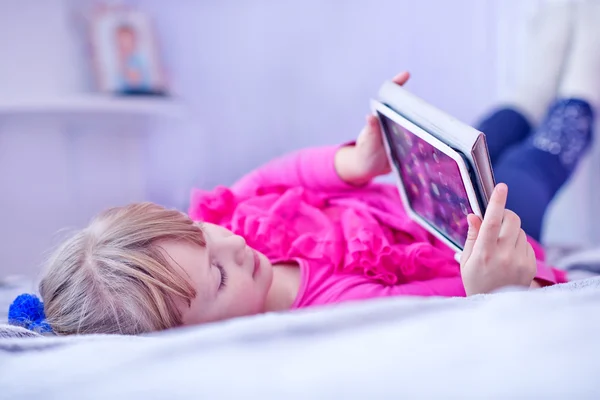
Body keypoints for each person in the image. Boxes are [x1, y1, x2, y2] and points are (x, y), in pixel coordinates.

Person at [8, 2, 599, 335]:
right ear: (202, 332)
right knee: (529, 167)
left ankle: (527, 92)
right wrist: (488, 290)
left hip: (415, 198)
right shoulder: (332, 311)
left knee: (479, 133)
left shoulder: (224, 226)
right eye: (218, 278)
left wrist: (349, 164)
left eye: (202, 234)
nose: (231, 247)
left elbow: (278, 176)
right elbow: (435, 298)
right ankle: (580, 95)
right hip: (475, 240)